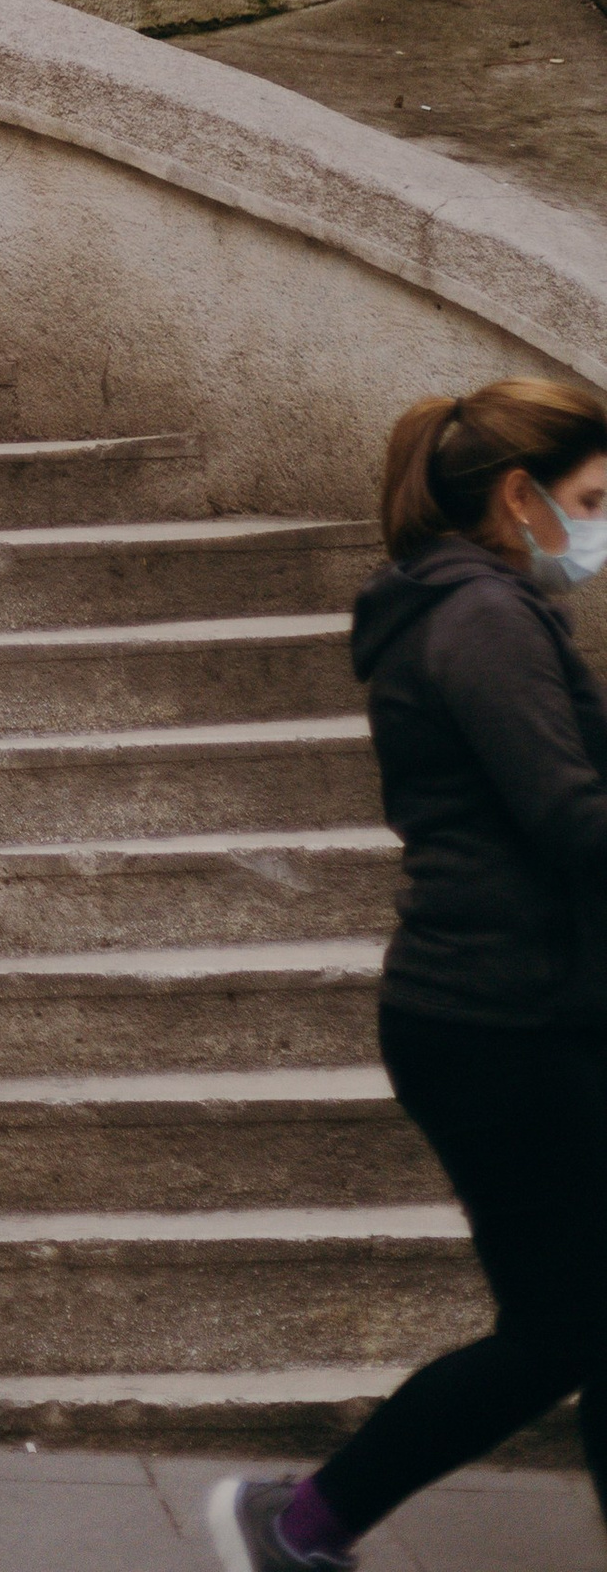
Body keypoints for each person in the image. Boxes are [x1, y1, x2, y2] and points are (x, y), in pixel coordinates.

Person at [207, 378, 607, 1572]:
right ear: (518, 496)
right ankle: (297, 1523)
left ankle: (300, 1523)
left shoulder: (477, 606)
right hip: (501, 1021)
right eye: (590, 500)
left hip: (518, 1009)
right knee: (561, 1327)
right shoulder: (480, 618)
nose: (599, 526)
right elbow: (569, 817)